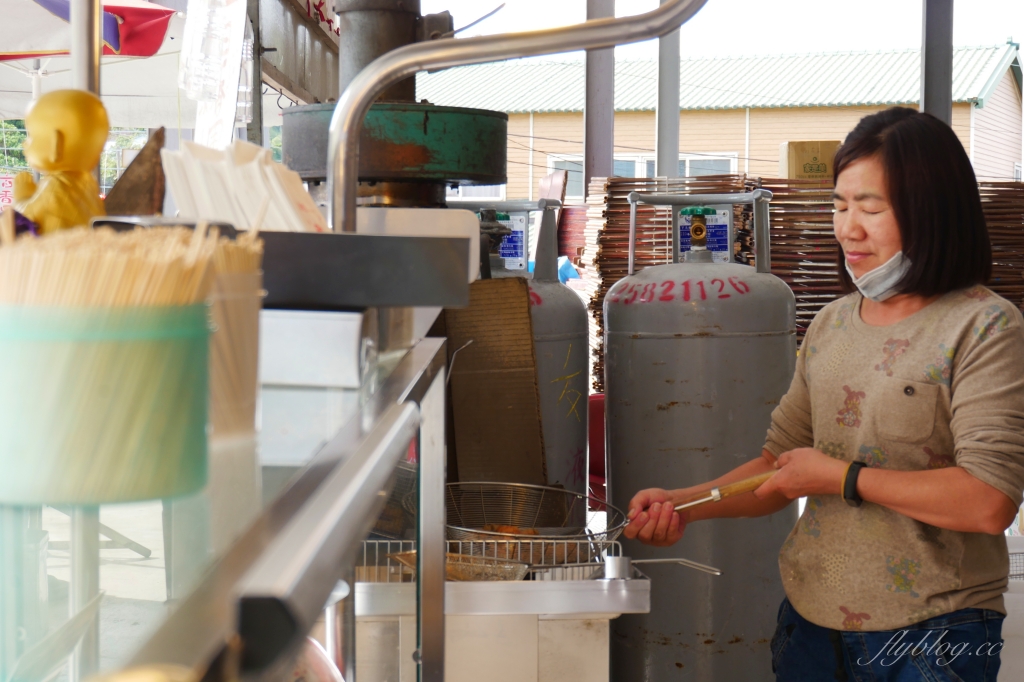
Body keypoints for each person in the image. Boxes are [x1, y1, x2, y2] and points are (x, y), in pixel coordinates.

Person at [623, 106, 1024, 682]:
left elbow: (988, 502)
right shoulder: (834, 322)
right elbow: (780, 465)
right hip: (810, 625)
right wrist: (683, 501)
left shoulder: (984, 326)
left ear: (933, 211)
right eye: (839, 205)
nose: (847, 228)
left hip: (932, 635)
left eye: (871, 208)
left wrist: (839, 477)